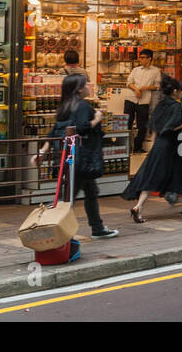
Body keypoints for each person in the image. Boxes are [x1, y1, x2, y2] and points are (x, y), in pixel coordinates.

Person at [32, 74, 118, 239]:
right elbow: (82, 128)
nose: (88, 87)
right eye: (85, 85)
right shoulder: (83, 106)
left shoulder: (64, 107)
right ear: (79, 89)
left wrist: (42, 152)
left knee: (88, 191)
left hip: (69, 158)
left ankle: (97, 228)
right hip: (81, 159)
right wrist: (98, 118)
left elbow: (54, 133)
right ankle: (49, 227)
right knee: (68, 198)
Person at [123, 74, 182, 222]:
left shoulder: (160, 105)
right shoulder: (176, 106)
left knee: (150, 177)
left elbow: (154, 127)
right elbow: (172, 126)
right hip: (172, 147)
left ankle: (138, 207)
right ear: (176, 91)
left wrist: (153, 145)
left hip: (158, 145)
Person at [125, 49, 161, 153]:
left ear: (149, 59)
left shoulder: (155, 71)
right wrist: (136, 89)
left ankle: (137, 147)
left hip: (144, 101)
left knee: (142, 126)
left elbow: (157, 86)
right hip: (130, 98)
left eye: (143, 57)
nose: (140, 59)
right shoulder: (136, 70)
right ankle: (126, 147)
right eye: (140, 57)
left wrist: (146, 87)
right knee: (127, 123)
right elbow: (128, 82)